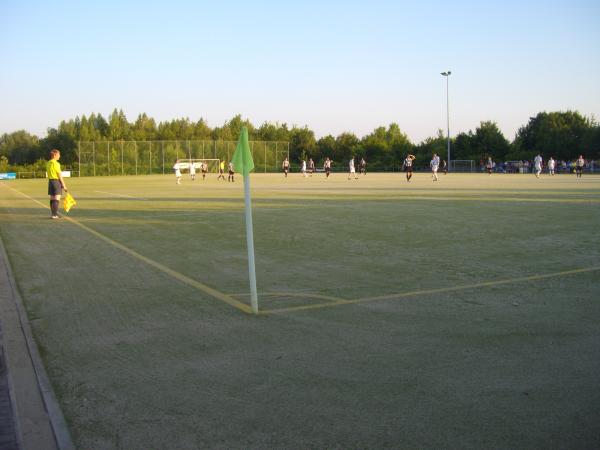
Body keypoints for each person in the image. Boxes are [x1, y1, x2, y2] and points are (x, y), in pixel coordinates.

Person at [46, 149, 68, 219]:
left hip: (50, 181)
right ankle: (54, 215)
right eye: (58, 155)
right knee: (57, 198)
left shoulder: (48, 163)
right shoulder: (56, 163)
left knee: (52, 198)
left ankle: (53, 214)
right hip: (56, 181)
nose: (59, 156)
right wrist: (64, 185)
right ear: (55, 155)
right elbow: (59, 175)